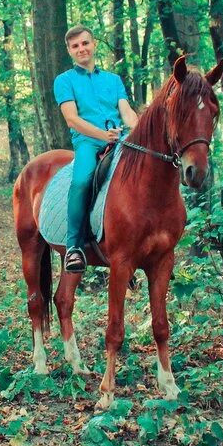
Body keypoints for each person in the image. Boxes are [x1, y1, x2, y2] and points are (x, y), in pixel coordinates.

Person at [53, 25, 139, 273]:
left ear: (94, 44)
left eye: (85, 43)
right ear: (69, 51)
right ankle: (74, 248)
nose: (82, 49)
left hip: (120, 139)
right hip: (87, 142)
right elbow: (72, 119)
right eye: (75, 46)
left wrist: (139, 130)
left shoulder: (113, 80)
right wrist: (103, 135)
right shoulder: (64, 81)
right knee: (82, 180)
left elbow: (127, 113)